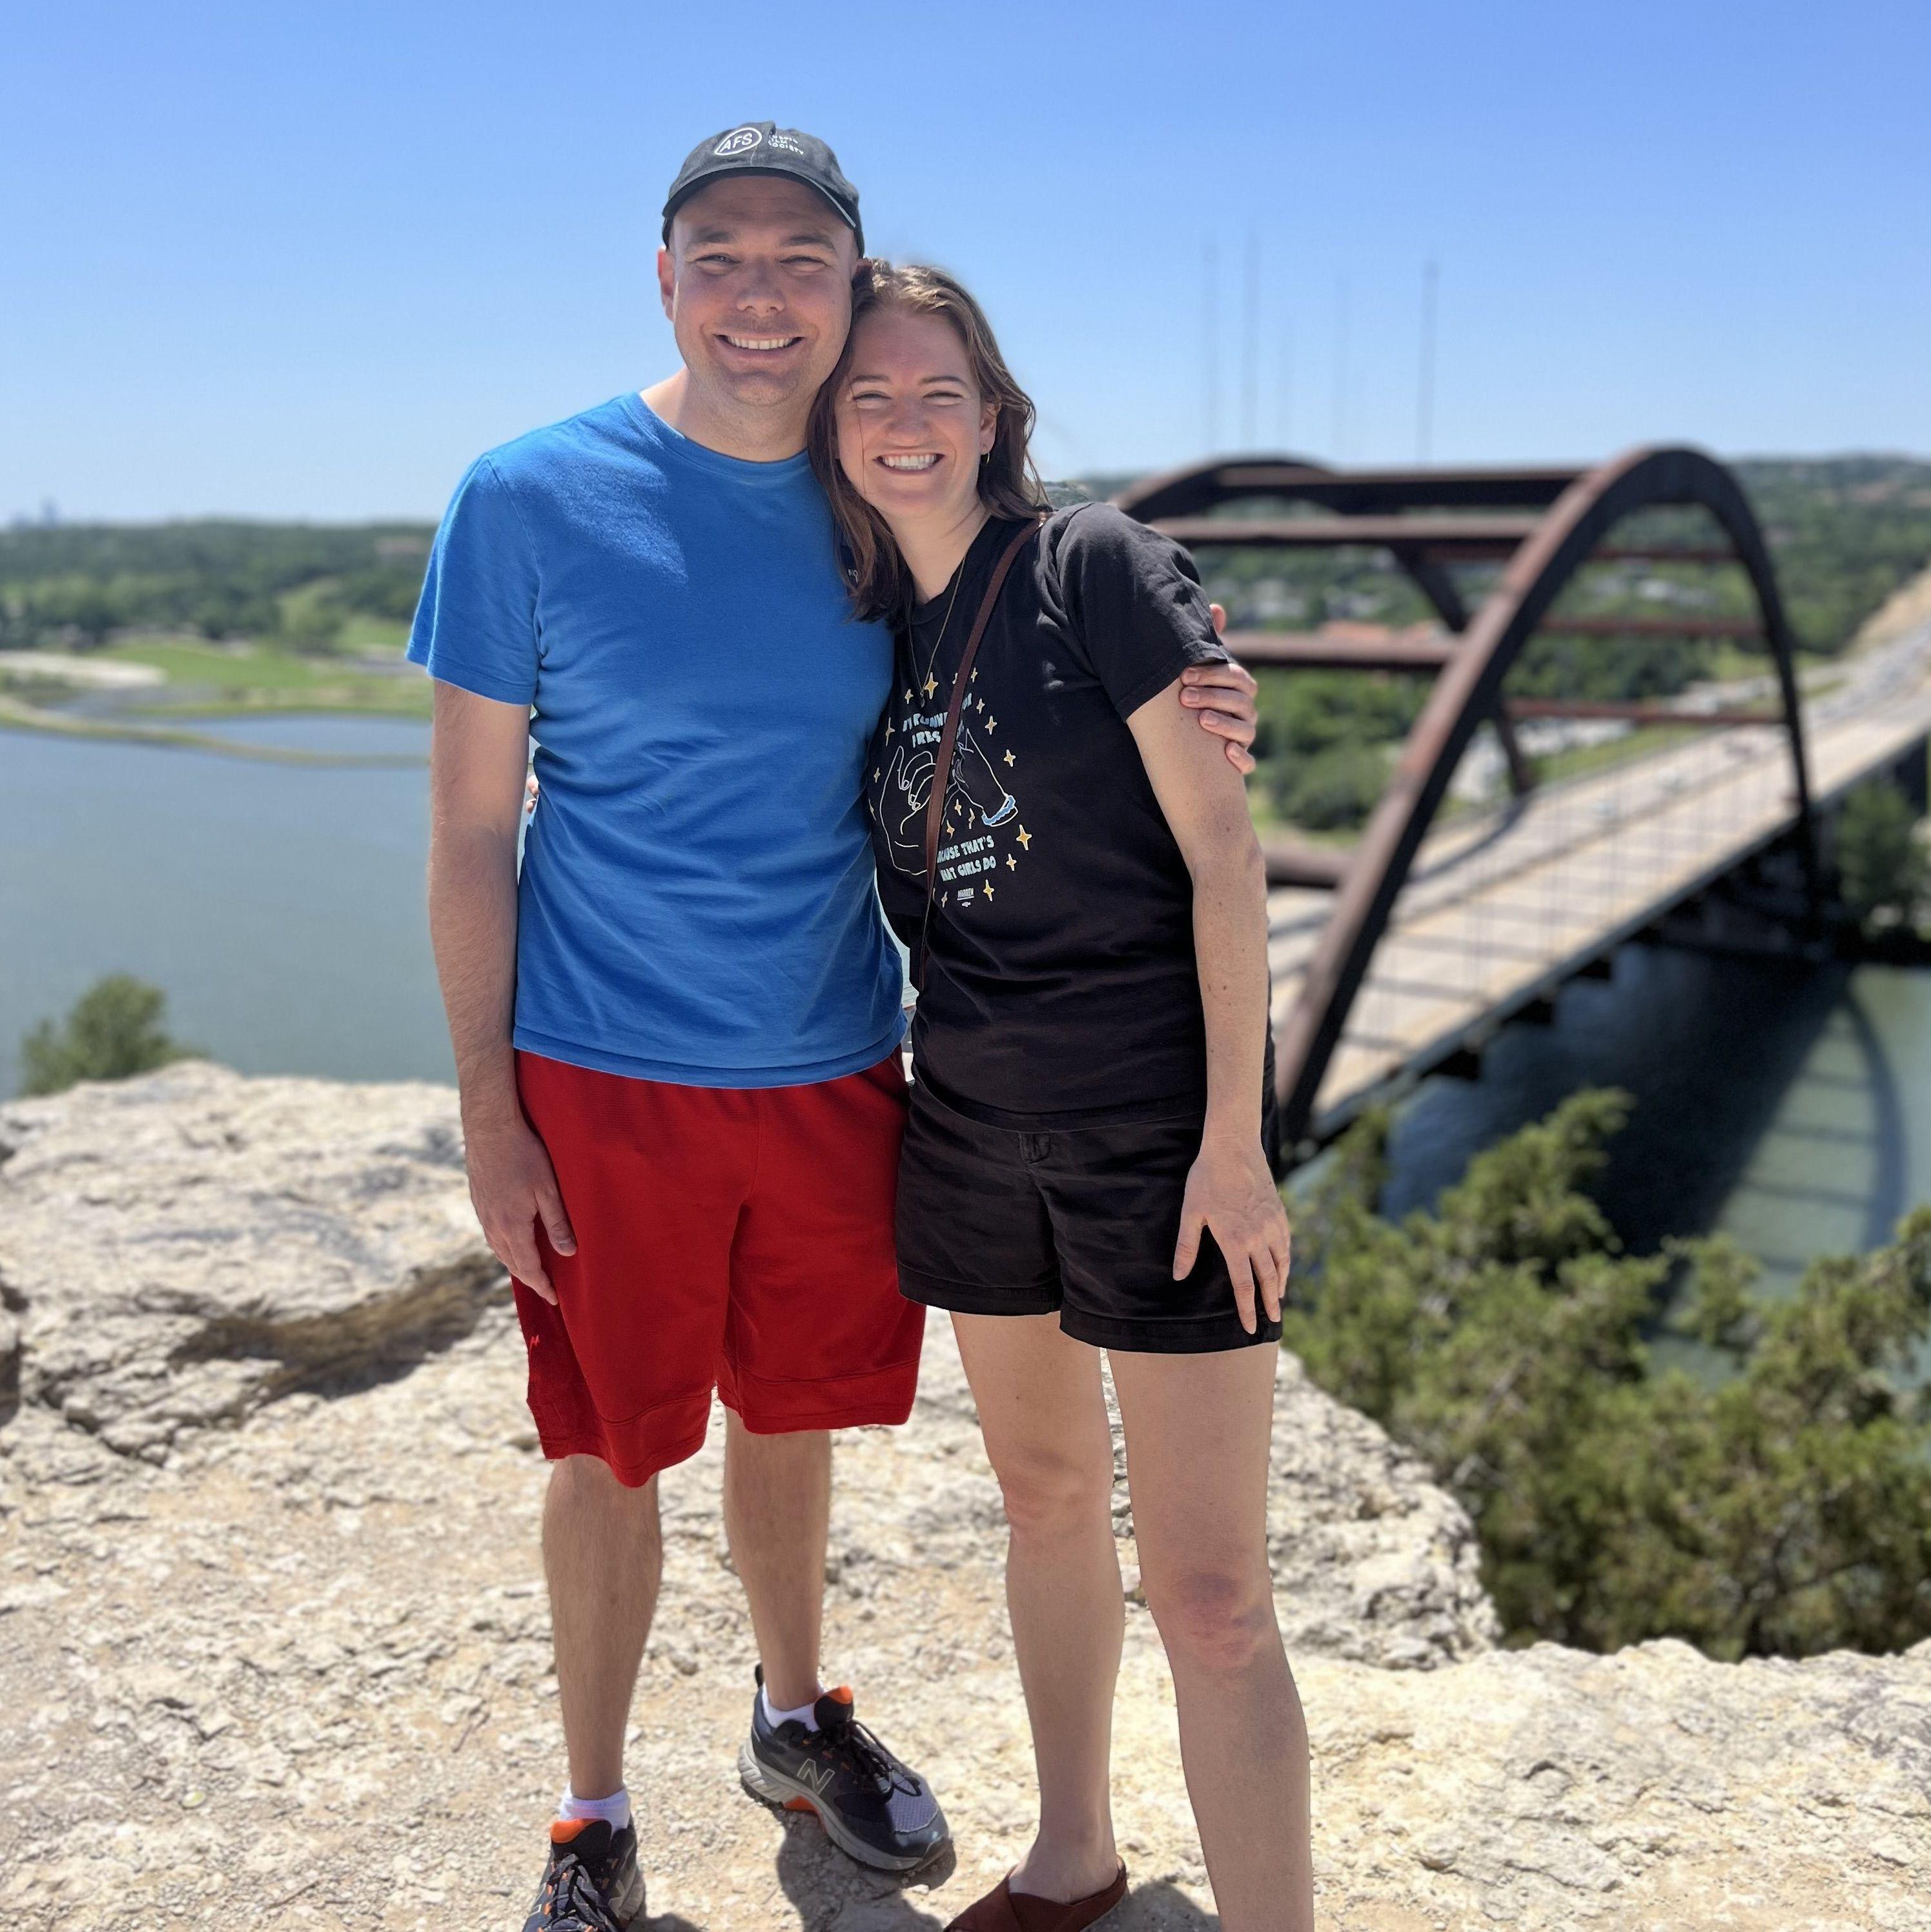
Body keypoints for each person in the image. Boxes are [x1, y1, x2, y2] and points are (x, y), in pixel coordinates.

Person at [409, 124, 1263, 1932]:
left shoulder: (861, 500)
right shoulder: (530, 496)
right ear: (663, 276)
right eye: (721, 254)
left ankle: (798, 1718)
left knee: (785, 1409)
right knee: (610, 1442)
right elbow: (472, 830)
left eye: (802, 259)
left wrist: (1195, 681)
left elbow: (1044, 635)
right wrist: (489, 1106)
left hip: (829, 1066)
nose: (761, 292)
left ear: (853, 290)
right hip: (602, 1066)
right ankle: (590, 1818)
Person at [808, 262, 1311, 1932]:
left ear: (995, 412)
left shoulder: (1090, 564)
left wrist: (1238, 1145)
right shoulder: (878, 631)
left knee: (1214, 1591)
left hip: (1151, 1127)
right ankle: (1075, 1852)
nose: (901, 423)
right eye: (864, 397)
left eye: (933, 391)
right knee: (1042, 1501)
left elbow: (1226, 859)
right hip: (963, 1119)